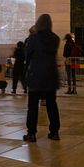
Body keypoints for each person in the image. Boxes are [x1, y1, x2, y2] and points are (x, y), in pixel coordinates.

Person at [24, 14, 61, 142]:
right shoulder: (55, 39)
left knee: (33, 106)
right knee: (52, 105)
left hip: (36, 76)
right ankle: (54, 132)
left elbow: (27, 57)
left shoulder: (33, 39)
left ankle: (31, 133)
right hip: (51, 76)